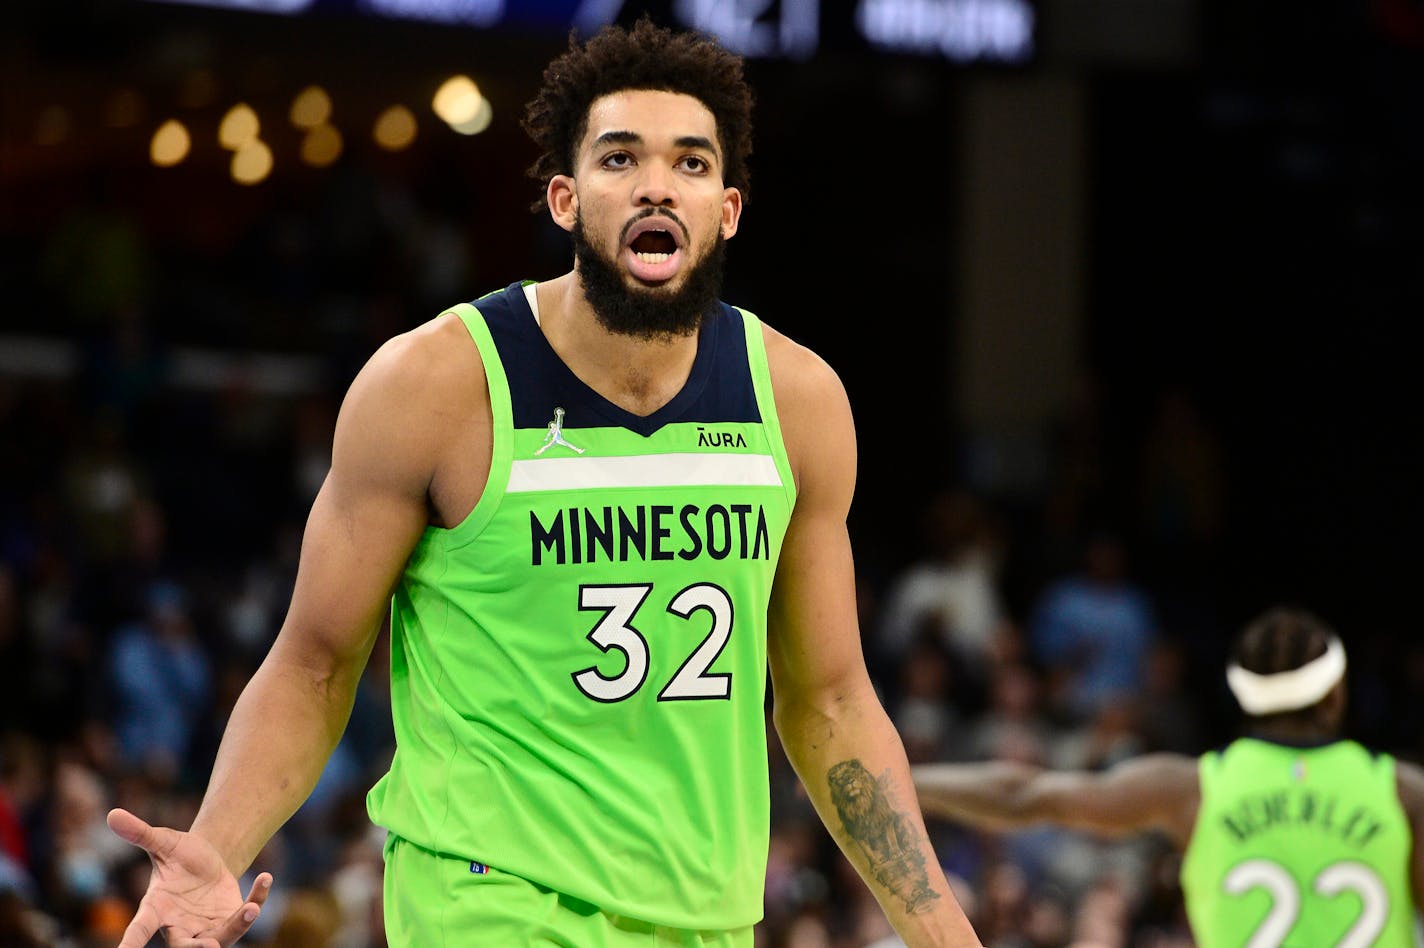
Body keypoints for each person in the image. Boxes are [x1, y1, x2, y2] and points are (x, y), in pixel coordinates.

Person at [107, 20, 981, 948]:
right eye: (620, 159)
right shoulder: (434, 387)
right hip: (485, 896)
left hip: (702, 917)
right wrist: (218, 846)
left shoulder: (798, 403)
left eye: (690, 163)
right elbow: (315, 661)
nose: (655, 183)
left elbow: (831, 700)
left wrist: (938, 928)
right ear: (565, 200)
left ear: (727, 209)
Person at [913, 606, 1424, 947]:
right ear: (1337, 694)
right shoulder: (1402, 793)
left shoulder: (1195, 789)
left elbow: (1025, 795)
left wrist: (901, 780)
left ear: (1243, 697)